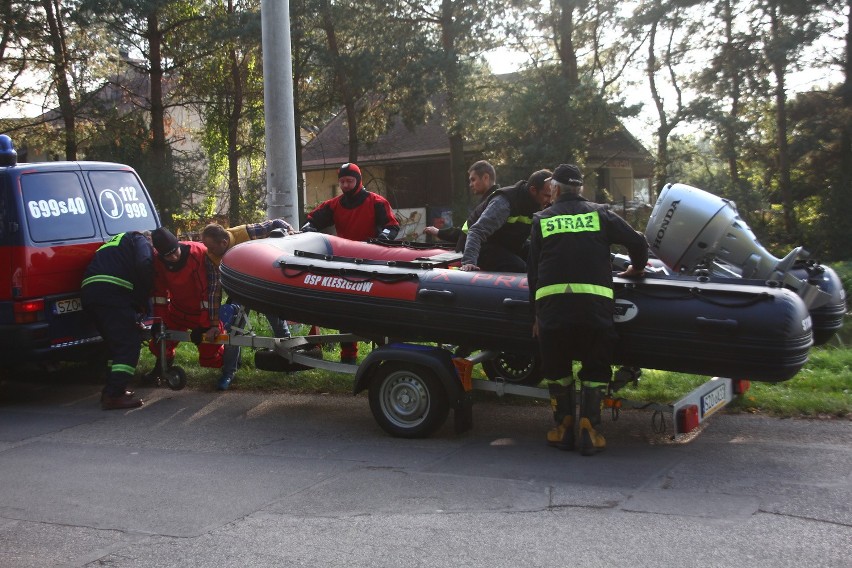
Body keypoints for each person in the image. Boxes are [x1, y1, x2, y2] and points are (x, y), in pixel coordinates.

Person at [527, 164, 648, 456]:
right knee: (595, 369)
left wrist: (536, 316)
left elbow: (533, 270)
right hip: (594, 310)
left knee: (557, 369)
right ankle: (590, 430)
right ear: (580, 189)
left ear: (554, 189)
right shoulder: (600, 213)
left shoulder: (542, 218)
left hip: (553, 310)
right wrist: (637, 268)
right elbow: (637, 240)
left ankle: (563, 428)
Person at [301, 163, 400, 364]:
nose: (346, 185)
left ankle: (389, 356)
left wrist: (381, 239)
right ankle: (348, 357)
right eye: (342, 181)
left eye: (349, 181)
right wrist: (308, 229)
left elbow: (392, 226)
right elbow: (313, 220)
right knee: (345, 312)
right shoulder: (334, 204)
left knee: (375, 313)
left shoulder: (376, 202)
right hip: (345, 264)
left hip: (372, 265)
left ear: (358, 180)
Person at [201, 219, 295, 390]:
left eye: (212, 247)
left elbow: (275, 224)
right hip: (239, 291)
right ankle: (229, 372)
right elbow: (215, 290)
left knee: (279, 327)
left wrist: (290, 231)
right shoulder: (211, 257)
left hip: (263, 287)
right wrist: (214, 322)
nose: (209, 251)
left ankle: (290, 365)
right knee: (233, 332)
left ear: (224, 242)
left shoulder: (245, 233)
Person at [81, 231, 154, 410]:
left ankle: (112, 388)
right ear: (149, 238)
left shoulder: (117, 241)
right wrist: (146, 300)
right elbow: (144, 264)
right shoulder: (140, 239)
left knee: (114, 346)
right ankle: (114, 395)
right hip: (112, 294)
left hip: (90, 292)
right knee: (128, 344)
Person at [147, 227, 224, 384]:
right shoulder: (158, 262)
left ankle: (230, 364)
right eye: (168, 255)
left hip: (202, 314)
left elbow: (206, 293)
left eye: (175, 251)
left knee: (210, 355)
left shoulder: (197, 254)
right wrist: (158, 322)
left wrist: (204, 325)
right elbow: (159, 295)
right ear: (161, 255)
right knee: (158, 343)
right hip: (177, 311)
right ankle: (162, 369)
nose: (174, 257)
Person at [458, 169, 552, 272]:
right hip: (481, 245)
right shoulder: (504, 202)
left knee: (546, 258)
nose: (550, 200)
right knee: (520, 268)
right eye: (547, 196)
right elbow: (476, 231)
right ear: (533, 190)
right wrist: (469, 262)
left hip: (506, 243)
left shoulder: (540, 202)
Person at [424, 160, 499, 249]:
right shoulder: (491, 200)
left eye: (473, 180)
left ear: (486, 178)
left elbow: (468, 232)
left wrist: (439, 232)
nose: (470, 185)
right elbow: (466, 231)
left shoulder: (493, 203)